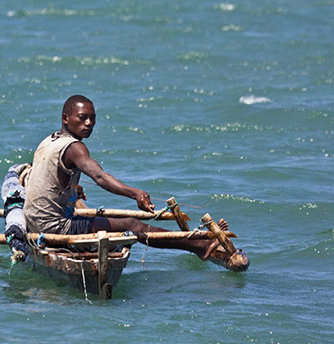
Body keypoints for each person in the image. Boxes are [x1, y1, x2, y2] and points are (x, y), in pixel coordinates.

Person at [23, 95, 247, 268]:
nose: (89, 123)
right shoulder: (75, 147)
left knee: (113, 221)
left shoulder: (49, 141)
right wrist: (135, 193)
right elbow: (100, 177)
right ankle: (202, 247)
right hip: (55, 228)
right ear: (66, 118)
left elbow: (47, 176)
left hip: (32, 224)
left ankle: (200, 245)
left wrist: (72, 188)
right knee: (131, 225)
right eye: (82, 118)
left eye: (93, 118)